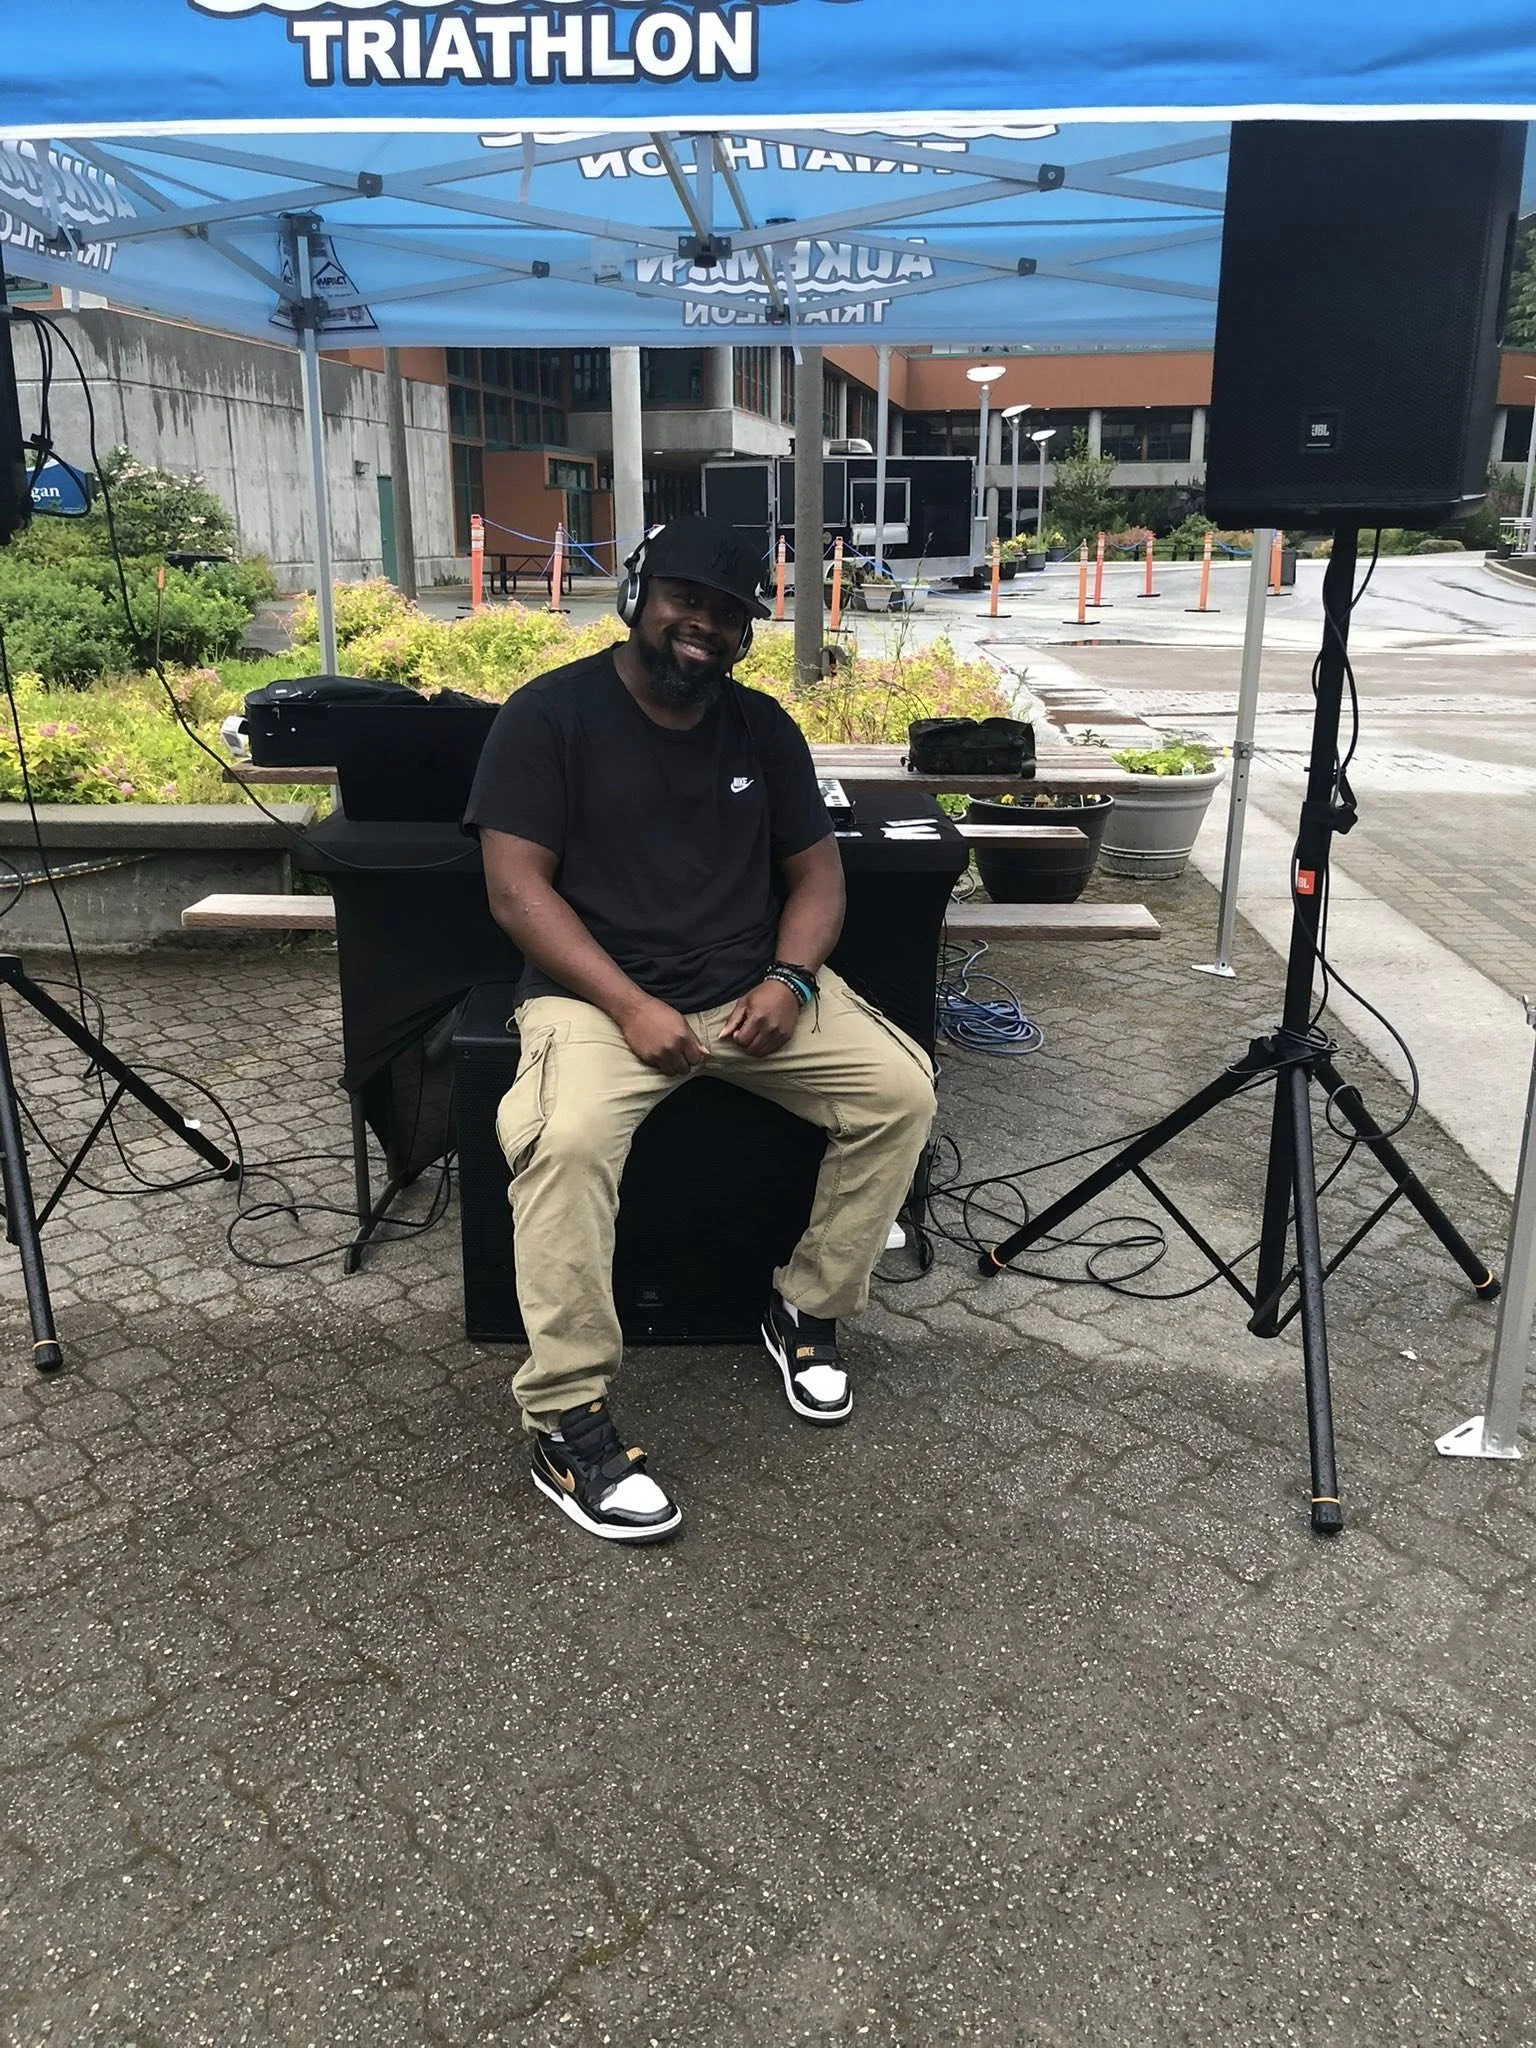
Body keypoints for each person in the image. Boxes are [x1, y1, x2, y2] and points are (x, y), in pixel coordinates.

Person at [464, 515, 936, 1545]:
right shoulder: (548, 717)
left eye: (729, 612)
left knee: (901, 1093)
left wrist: (793, 978)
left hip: (748, 993)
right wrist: (631, 1004)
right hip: (596, 999)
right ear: (637, 594)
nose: (706, 625)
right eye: (687, 599)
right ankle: (566, 1418)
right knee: (567, 1140)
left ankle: (805, 1309)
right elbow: (514, 890)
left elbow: (819, 874)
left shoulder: (761, 726)